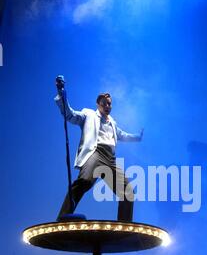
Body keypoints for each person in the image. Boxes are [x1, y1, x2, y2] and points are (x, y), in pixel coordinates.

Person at [54, 76, 143, 221]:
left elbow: (123, 135)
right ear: (98, 104)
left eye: (109, 104)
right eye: (104, 104)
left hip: (110, 159)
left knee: (128, 191)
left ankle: (124, 226)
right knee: (84, 181)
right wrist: (61, 93)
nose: (107, 106)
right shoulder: (88, 115)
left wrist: (137, 137)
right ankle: (63, 217)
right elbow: (70, 115)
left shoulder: (112, 123)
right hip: (95, 153)